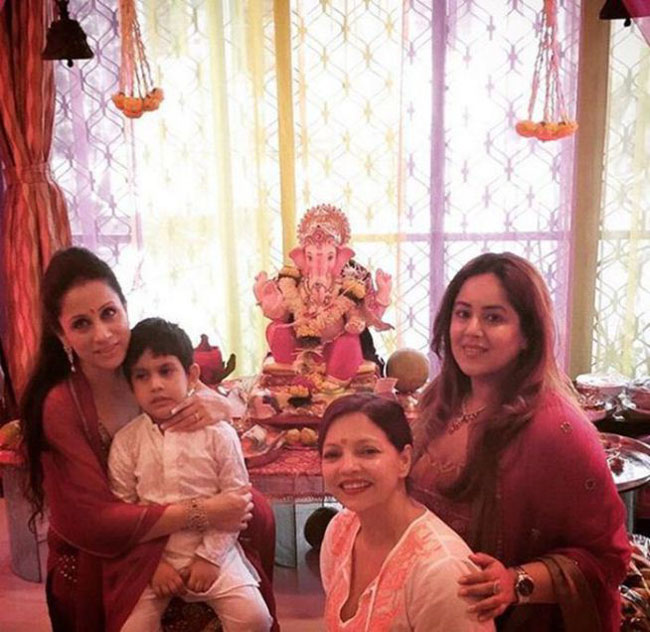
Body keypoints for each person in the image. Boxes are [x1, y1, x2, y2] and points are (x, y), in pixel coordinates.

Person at [20, 247, 277, 632]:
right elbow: (91, 519)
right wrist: (204, 512)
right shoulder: (61, 403)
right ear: (61, 334)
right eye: (81, 324)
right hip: (108, 541)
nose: (103, 334)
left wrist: (222, 407)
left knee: (258, 511)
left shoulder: (143, 368)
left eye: (109, 313)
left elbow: (212, 406)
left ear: (125, 309)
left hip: (173, 518)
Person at [410, 252, 630, 631]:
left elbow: (608, 559)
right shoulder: (438, 401)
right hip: (427, 610)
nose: (472, 330)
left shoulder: (556, 430)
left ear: (528, 334)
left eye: (493, 318)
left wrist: (516, 582)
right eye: (463, 314)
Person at [110, 317, 271, 631]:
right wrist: (154, 564)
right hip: (152, 558)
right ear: (130, 386)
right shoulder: (127, 441)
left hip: (216, 552)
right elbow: (124, 511)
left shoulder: (219, 434)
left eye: (166, 371)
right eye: (142, 376)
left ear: (191, 375)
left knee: (255, 618)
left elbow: (235, 501)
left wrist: (209, 558)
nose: (156, 385)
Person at [318, 392, 494, 631]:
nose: (348, 467)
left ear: (404, 460)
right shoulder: (340, 530)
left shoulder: (441, 571)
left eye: (368, 451)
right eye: (333, 454)